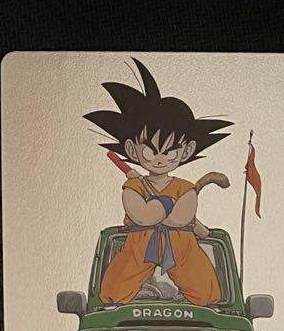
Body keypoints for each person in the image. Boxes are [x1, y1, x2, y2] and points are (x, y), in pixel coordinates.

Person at [84, 59, 231, 305]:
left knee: (207, 295)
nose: (160, 158)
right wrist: (166, 205)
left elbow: (180, 218)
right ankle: (138, 293)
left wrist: (171, 212)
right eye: (150, 151)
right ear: (132, 149)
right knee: (112, 295)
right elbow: (143, 216)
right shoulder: (134, 187)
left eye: (170, 151)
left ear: (186, 151)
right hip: (139, 245)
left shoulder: (185, 188)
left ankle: (192, 297)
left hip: (182, 246)